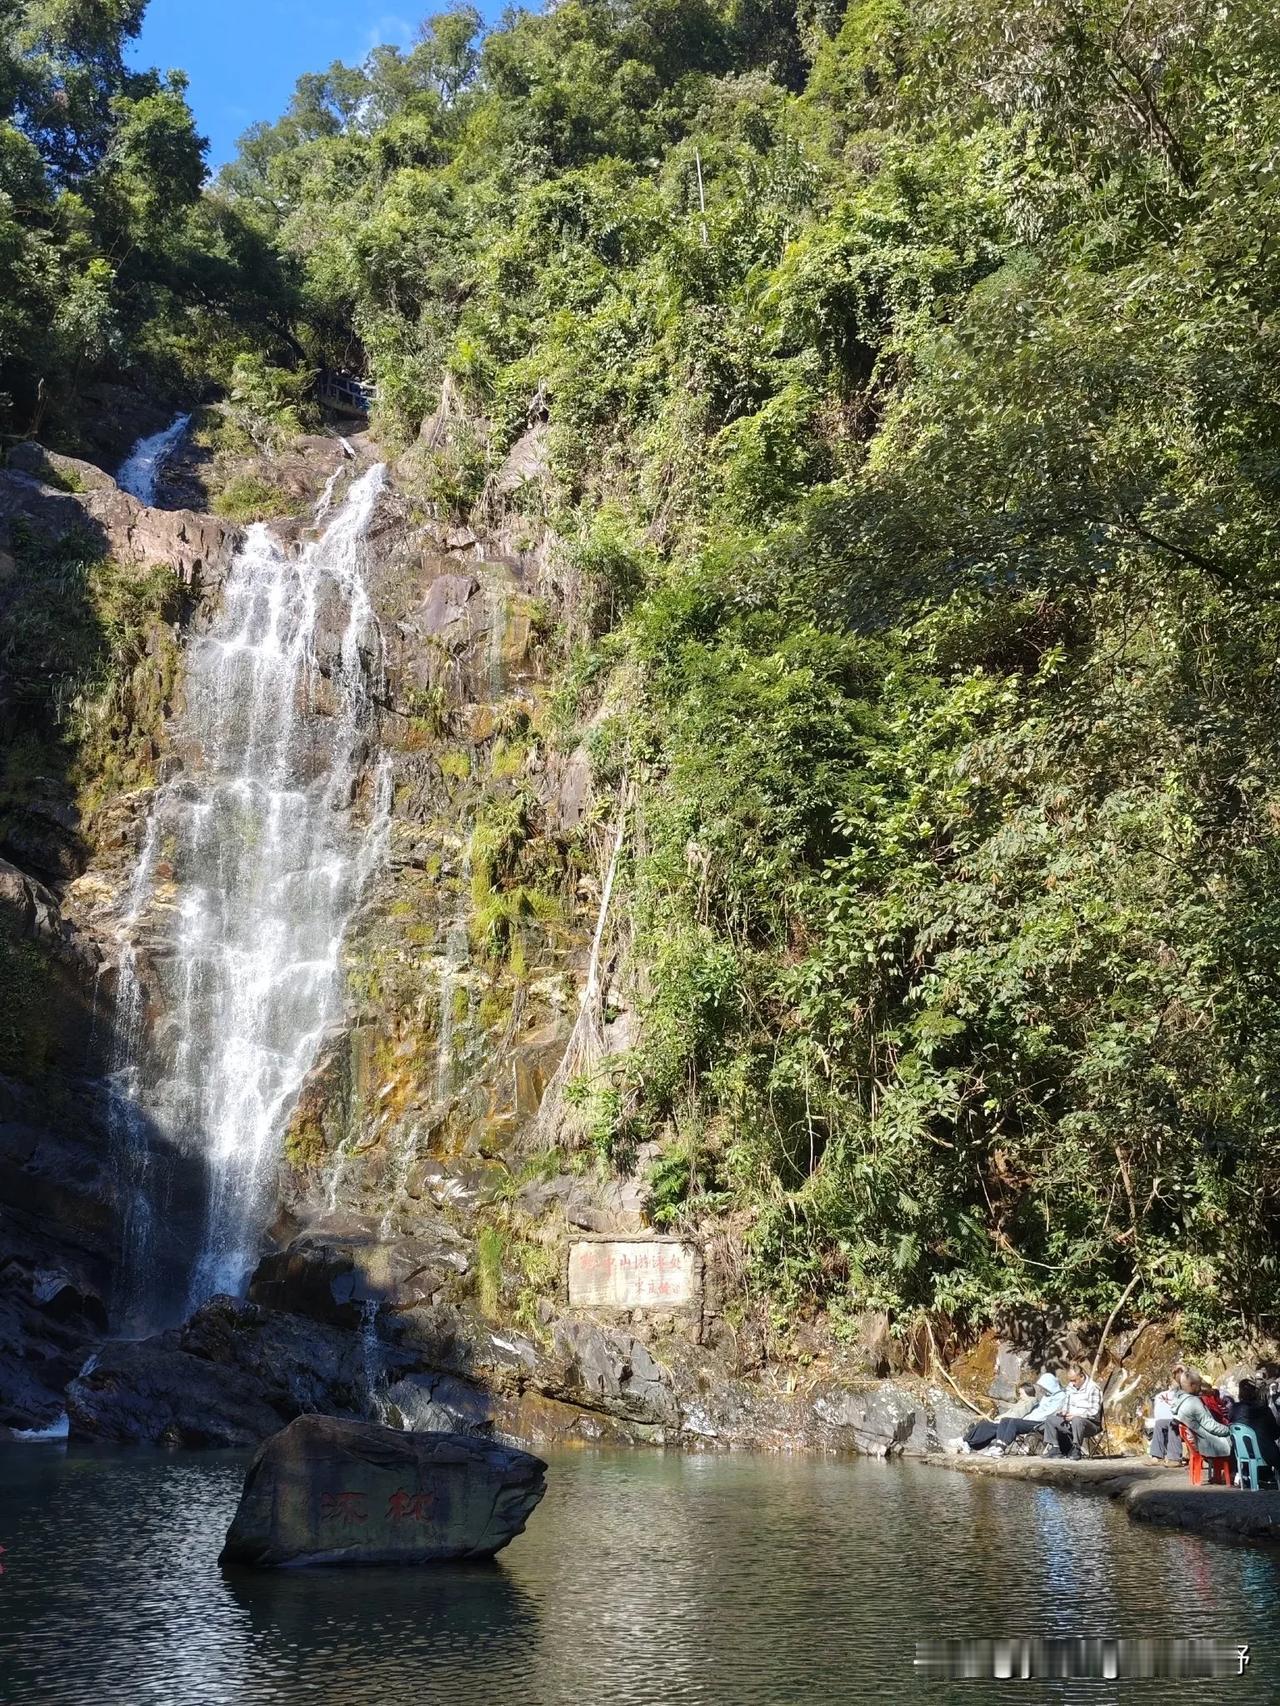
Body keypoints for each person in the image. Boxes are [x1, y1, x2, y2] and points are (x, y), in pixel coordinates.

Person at [948, 1372, 1066, 1455]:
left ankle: (998, 1447)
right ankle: (967, 1443)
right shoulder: (1046, 1396)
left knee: (1007, 1422)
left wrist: (1025, 1418)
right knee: (987, 1425)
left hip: (1037, 1423)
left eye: (1021, 1393)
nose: (1042, 1389)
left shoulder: (1051, 1398)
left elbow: (1042, 1413)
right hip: (1028, 1420)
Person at [951, 1382, 1040, 1454]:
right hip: (1007, 1422)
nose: (1020, 1396)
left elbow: (1018, 1413)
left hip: (1010, 1424)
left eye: (1021, 1393)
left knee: (985, 1425)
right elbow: (1014, 1408)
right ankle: (967, 1443)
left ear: (1027, 1392)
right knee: (985, 1426)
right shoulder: (1023, 1401)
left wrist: (1000, 1419)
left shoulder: (1031, 1401)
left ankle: (965, 1442)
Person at [1042, 1361, 1103, 1459]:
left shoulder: (1093, 1388)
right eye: (1070, 1380)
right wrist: (1064, 1412)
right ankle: (1056, 1448)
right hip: (1070, 1421)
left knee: (1077, 1420)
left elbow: (1094, 1411)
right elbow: (1066, 1404)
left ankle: (1076, 1448)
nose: (1072, 1383)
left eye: (1074, 1380)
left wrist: (1076, 1415)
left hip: (1089, 1424)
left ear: (1082, 1376)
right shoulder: (1070, 1387)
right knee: (1050, 1419)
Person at [1169, 1368, 1231, 1461]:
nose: (1200, 1388)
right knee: (1239, 1439)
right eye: (1199, 1385)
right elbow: (1211, 1426)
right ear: (1192, 1385)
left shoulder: (1179, 1400)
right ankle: (1237, 1473)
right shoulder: (1193, 1402)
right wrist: (1229, 1429)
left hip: (1200, 1441)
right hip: (1209, 1443)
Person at [1227, 1379, 1280, 1475]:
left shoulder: (1234, 1409)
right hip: (1265, 1454)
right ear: (1255, 1392)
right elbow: (1275, 1433)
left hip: (1241, 1453)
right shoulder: (1264, 1410)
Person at [1146, 1377, 1184, 1464]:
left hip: (1180, 1420)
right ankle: (1157, 1456)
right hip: (1169, 1419)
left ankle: (1175, 1458)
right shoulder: (1161, 1395)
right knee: (1159, 1423)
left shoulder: (1183, 1394)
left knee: (1172, 1423)